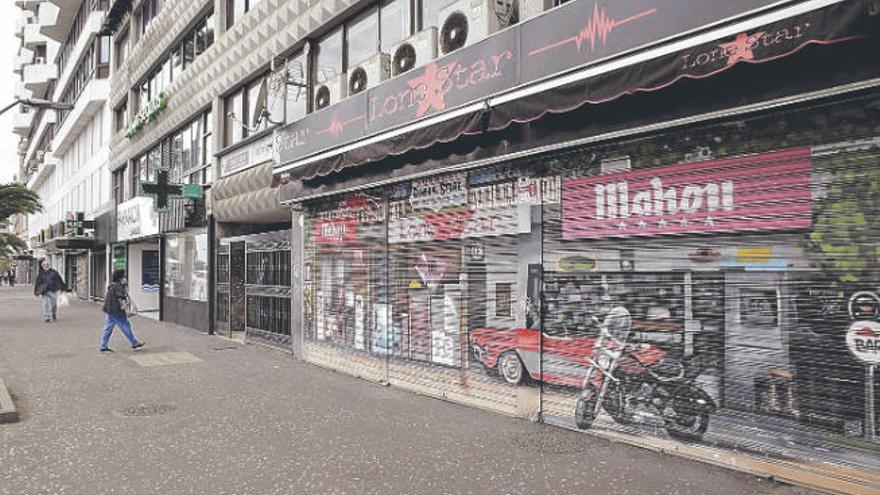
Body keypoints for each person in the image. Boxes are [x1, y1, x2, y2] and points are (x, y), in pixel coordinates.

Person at [100, 269, 145, 352]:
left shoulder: (113, 285)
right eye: (124, 277)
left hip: (110, 309)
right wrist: (125, 307)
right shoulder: (118, 286)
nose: (126, 278)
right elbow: (121, 297)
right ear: (120, 278)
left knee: (108, 327)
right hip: (116, 310)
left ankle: (103, 346)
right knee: (125, 326)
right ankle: (134, 343)